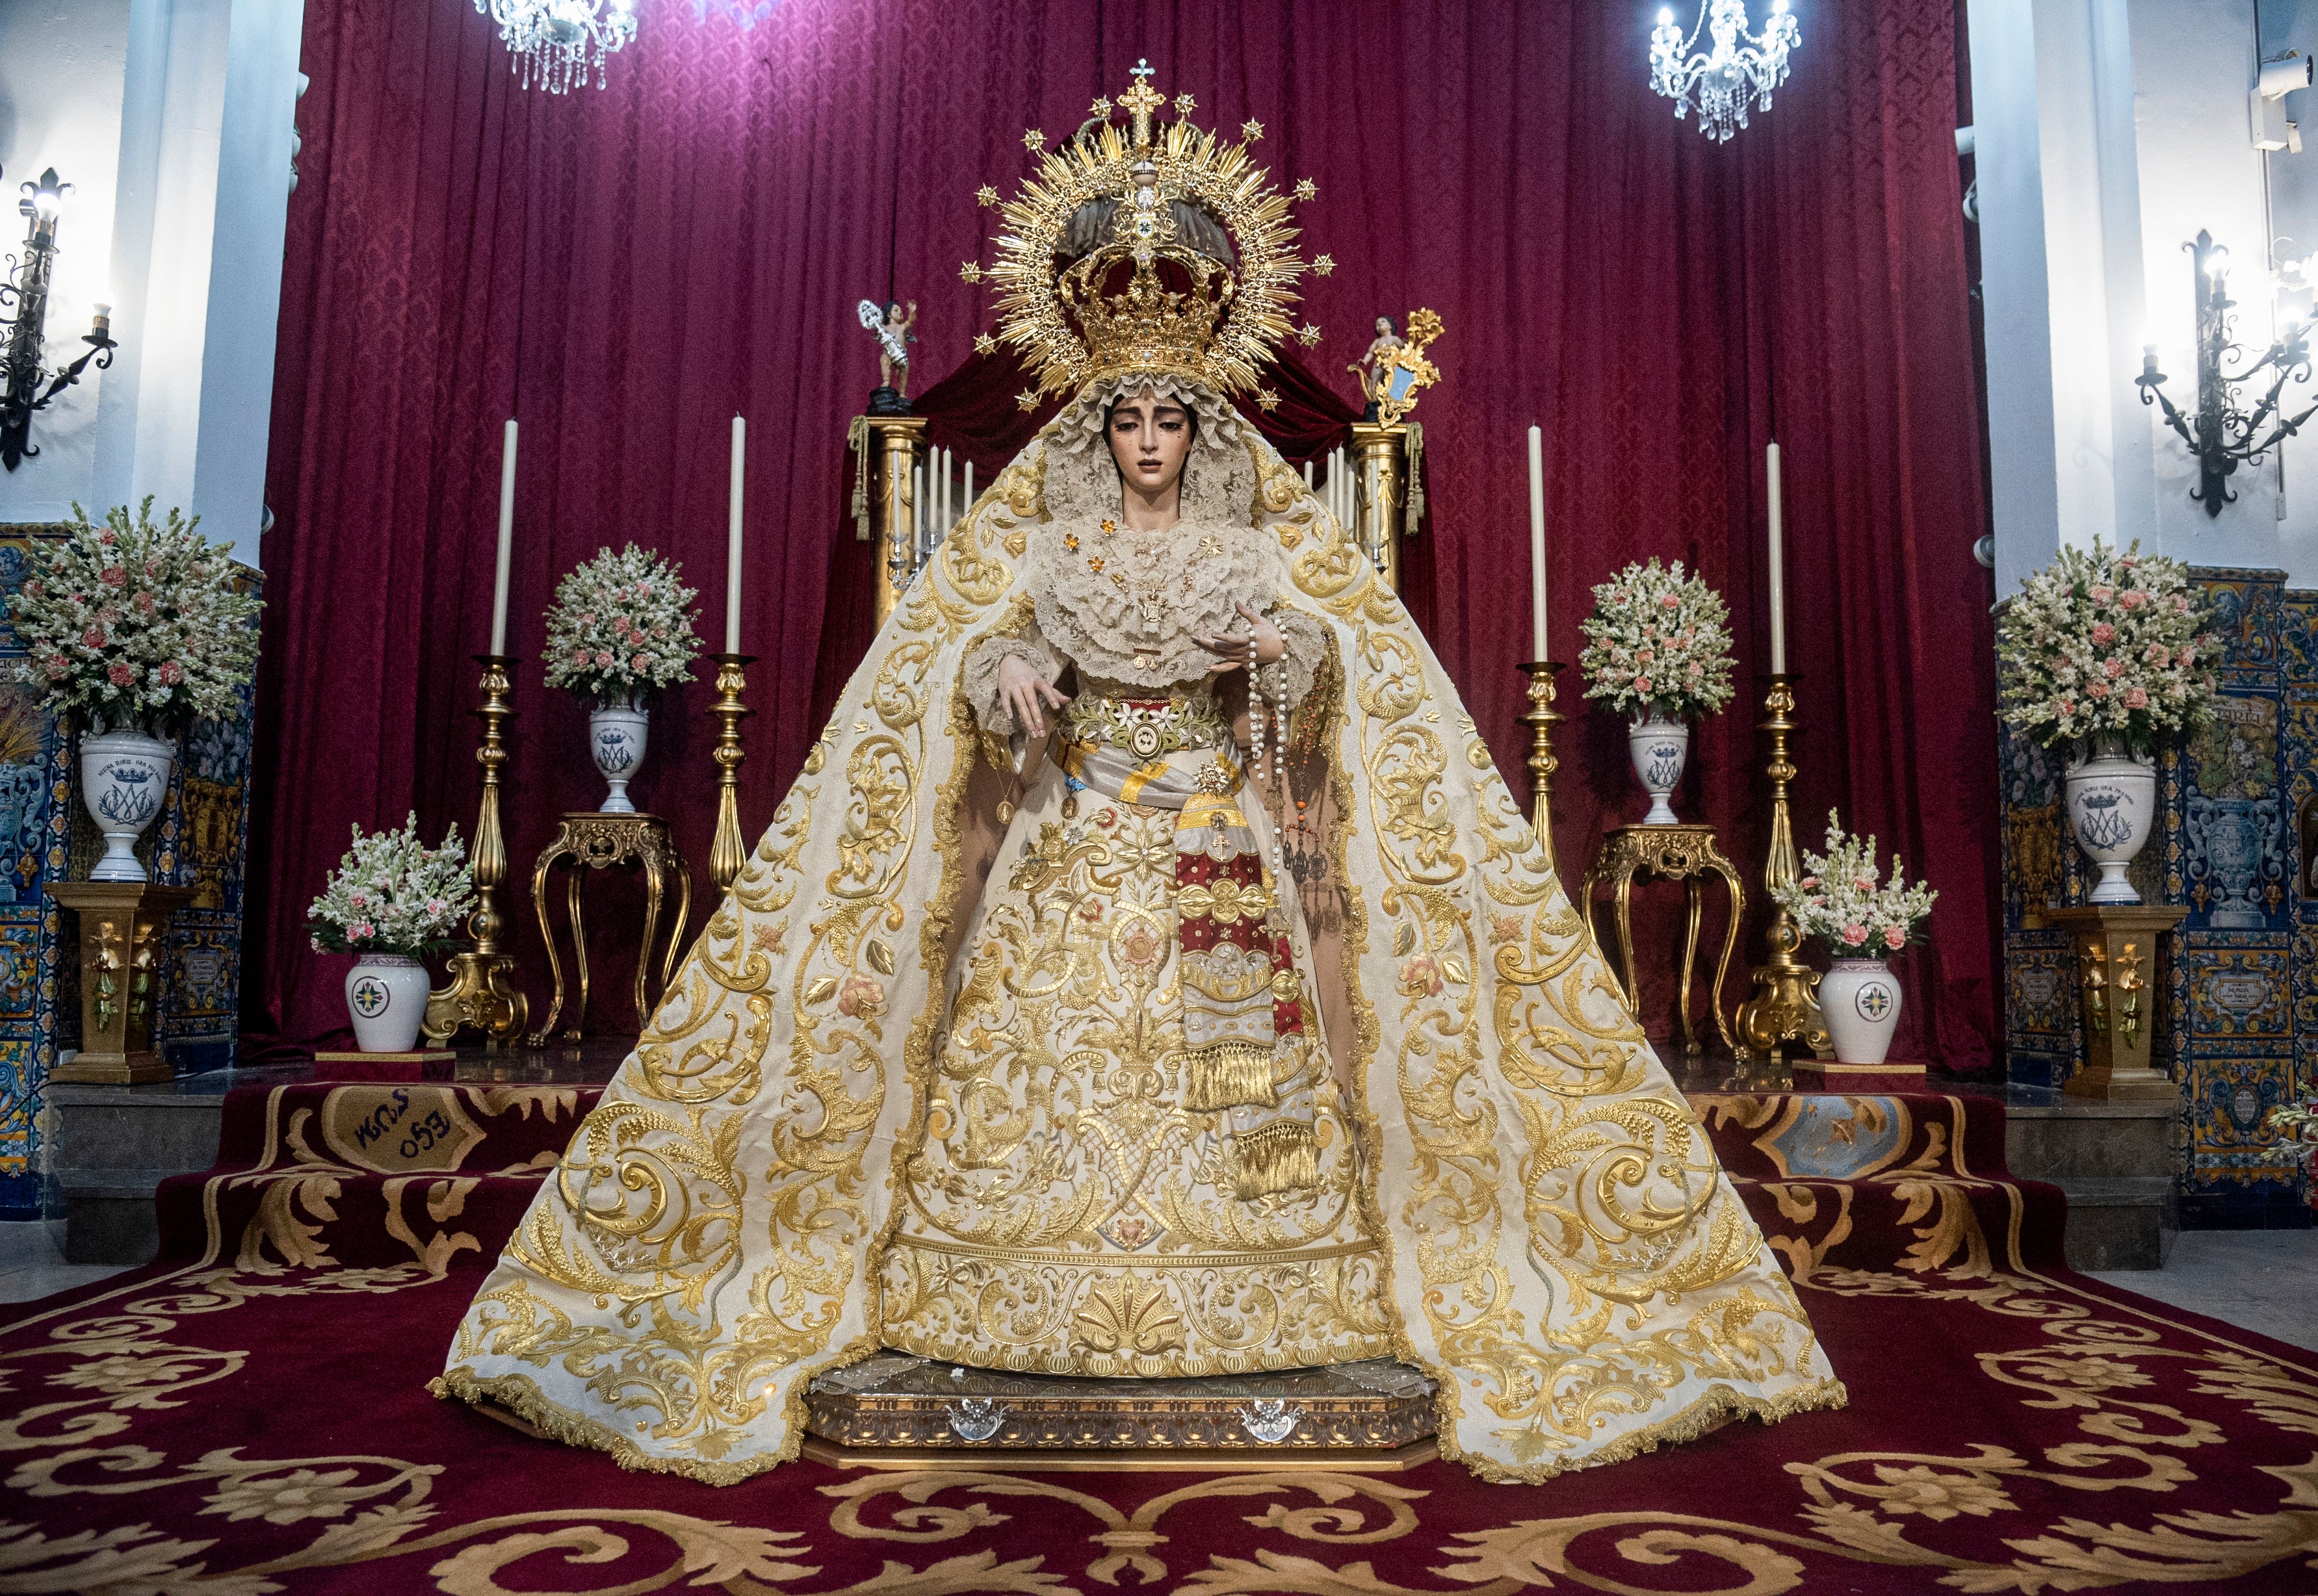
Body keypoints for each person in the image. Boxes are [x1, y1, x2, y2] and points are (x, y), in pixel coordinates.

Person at [438, 73, 1843, 1486]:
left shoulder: (1250, 553)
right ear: (1099, 432)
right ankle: (996, 1281)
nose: (1152, 439)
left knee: (1238, 1064)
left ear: (1203, 430)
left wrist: (1288, 649)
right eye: (1129, 420)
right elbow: (984, 652)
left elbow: (1326, 679)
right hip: (1068, 837)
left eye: (1174, 417)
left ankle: (1271, 1283)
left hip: (1213, 851)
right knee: (1029, 1072)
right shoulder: (1048, 550)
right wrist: (1003, 675)